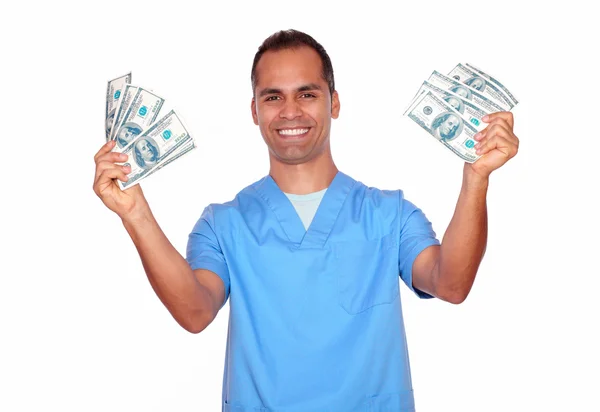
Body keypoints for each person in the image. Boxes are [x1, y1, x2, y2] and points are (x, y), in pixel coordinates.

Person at [93, 29, 519, 411]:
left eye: (308, 94)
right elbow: (194, 312)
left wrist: (476, 178)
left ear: (334, 103)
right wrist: (135, 214)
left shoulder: (389, 215)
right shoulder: (223, 224)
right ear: (254, 110)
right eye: (273, 96)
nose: (290, 111)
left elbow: (451, 283)